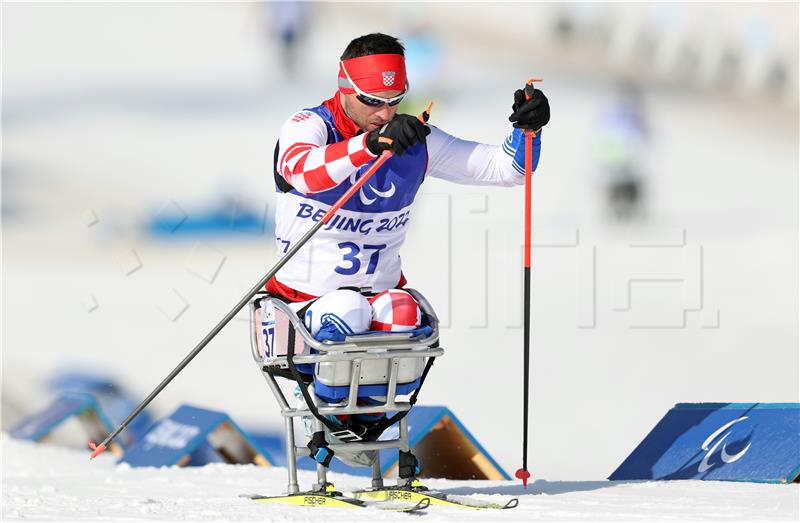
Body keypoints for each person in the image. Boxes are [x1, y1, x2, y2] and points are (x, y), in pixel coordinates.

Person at [265, 32, 550, 466]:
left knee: (404, 312)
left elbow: (510, 170)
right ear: (344, 88)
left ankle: (371, 431)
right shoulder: (309, 126)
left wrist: (527, 129)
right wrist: (368, 146)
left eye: (395, 100)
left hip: (376, 297)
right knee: (345, 311)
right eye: (372, 100)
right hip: (298, 309)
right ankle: (325, 423)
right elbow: (302, 171)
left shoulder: (415, 140)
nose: (384, 113)